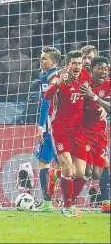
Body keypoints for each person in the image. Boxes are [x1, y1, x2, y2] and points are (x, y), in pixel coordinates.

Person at [44, 50, 88, 217]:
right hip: (60, 129)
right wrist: (57, 83)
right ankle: (67, 207)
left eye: (79, 63)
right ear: (67, 64)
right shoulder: (60, 77)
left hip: (78, 130)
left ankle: (55, 174)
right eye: (74, 63)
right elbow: (46, 95)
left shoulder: (85, 75)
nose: (77, 66)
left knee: (80, 173)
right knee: (68, 169)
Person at [80, 56, 110, 213]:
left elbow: (110, 107)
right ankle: (107, 202)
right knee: (87, 171)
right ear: (91, 69)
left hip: (100, 133)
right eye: (99, 68)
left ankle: (106, 203)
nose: (103, 71)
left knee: (98, 173)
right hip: (84, 132)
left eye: (105, 68)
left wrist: (95, 97)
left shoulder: (108, 84)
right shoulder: (83, 84)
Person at [33, 46, 61, 212]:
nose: (41, 61)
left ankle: (47, 203)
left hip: (52, 128)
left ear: (53, 62)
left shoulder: (49, 78)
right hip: (64, 127)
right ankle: (54, 202)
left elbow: (46, 103)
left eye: (44, 58)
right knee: (62, 165)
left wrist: (41, 126)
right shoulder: (63, 75)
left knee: (45, 164)